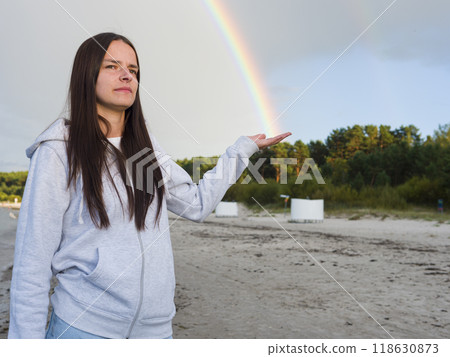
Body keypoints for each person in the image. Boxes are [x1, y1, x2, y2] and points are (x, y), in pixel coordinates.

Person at [8, 32, 291, 339]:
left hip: (155, 333)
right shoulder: (59, 150)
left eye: (133, 69)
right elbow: (31, 267)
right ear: (86, 75)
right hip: (84, 330)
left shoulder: (143, 151)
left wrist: (241, 150)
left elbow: (195, 204)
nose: (127, 75)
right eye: (112, 66)